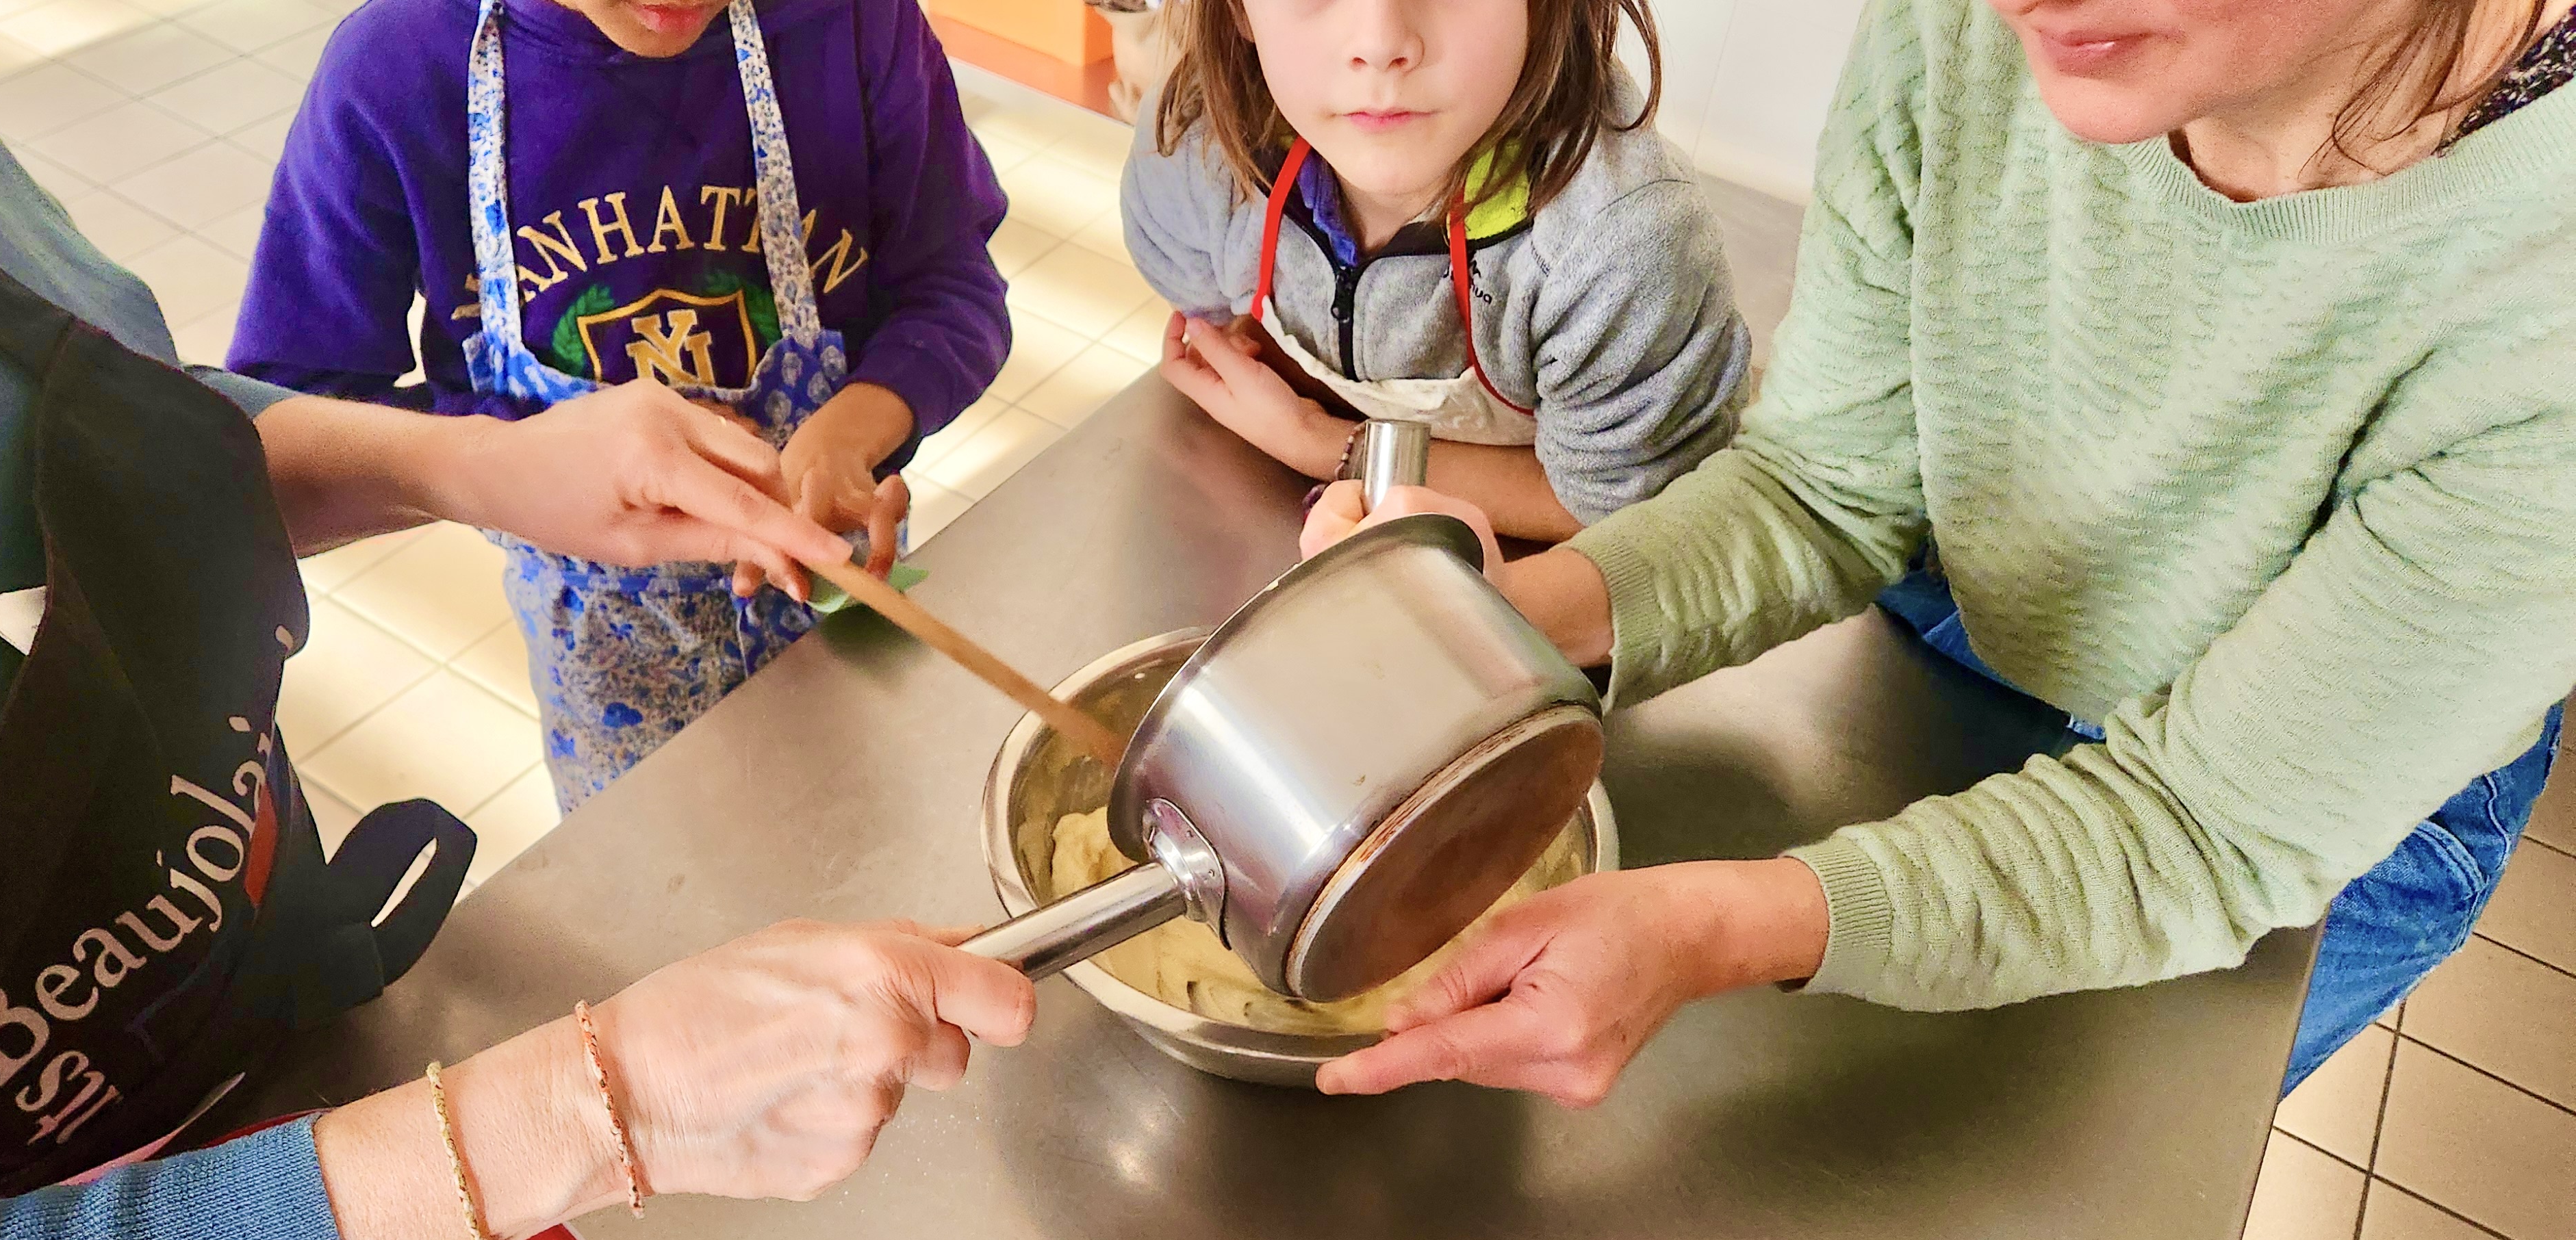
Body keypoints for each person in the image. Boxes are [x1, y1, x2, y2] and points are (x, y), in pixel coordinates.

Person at [0, 3, 1032, 1240]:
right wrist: (594, 1109)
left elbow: (159, 439)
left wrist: (487, 467)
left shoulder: (851, 30)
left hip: (273, 968)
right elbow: (297, 371)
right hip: (611, 688)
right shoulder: (402, 71)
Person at [1301, 0, 2576, 1107]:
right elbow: (1822, 485)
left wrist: (1708, 927)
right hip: (2003, 606)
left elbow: (2203, 827)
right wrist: (1493, 635)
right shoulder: (1975, 27)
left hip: (2319, 820)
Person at [231, 0, 1014, 811]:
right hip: (607, 671)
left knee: (882, 813)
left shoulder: (855, 24)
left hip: (846, 596)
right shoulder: (394, 70)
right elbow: (288, 415)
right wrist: (522, 454)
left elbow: (952, 287)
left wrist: (849, 434)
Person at [1121, 0, 1752, 543]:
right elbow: (1225, 324)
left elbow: (1618, 509)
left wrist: (1322, 444)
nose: (1380, 43)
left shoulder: (1617, 249)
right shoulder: (1190, 148)